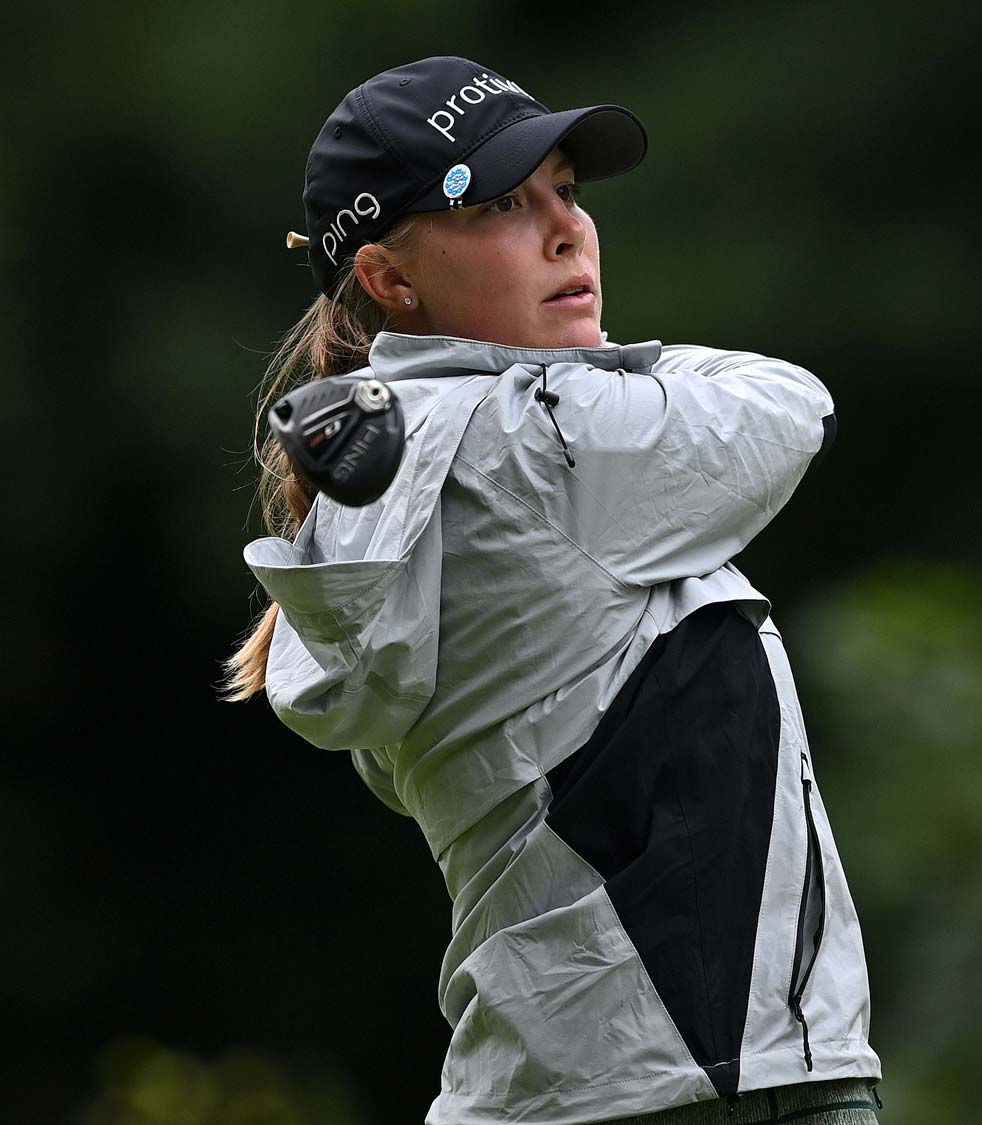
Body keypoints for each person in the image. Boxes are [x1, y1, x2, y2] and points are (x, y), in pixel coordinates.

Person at [226, 56, 883, 1125]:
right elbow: (789, 405)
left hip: (570, 1088)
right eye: (497, 205)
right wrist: (583, 373)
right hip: (708, 1084)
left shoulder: (413, 458)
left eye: (563, 193)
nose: (565, 230)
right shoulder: (533, 445)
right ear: (393, 282)